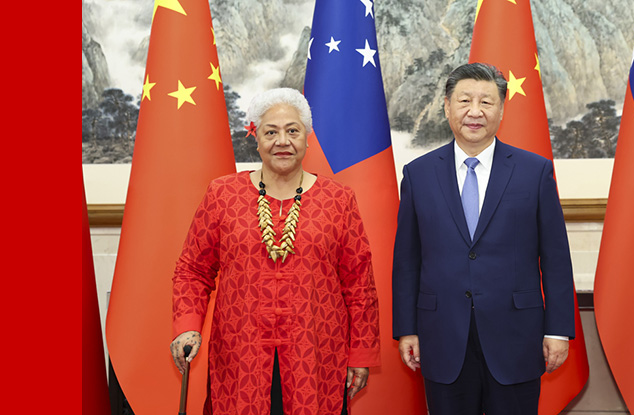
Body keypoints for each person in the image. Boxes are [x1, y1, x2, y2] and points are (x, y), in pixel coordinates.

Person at [170, 88, 380, 415]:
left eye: (292, 131)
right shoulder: (222, 194)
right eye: (271, 132)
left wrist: (361, 354)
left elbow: (359, 284)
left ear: (307, 137)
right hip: (240, 356)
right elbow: (192, 270)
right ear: (256, 138)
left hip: (317, 356)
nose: (283, 141)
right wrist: (187, 325)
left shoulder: (339, 200)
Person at [392, 63, 576, 415]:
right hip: (442, 335)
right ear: (447, 107)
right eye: (464, 101)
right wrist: (407, 330)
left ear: (502, 110)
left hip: (516, 337)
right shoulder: (418, 175)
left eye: (486, 102)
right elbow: (407, 262)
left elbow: (555, 258)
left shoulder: (534, 171)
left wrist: (558, 330)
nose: (474, 112)